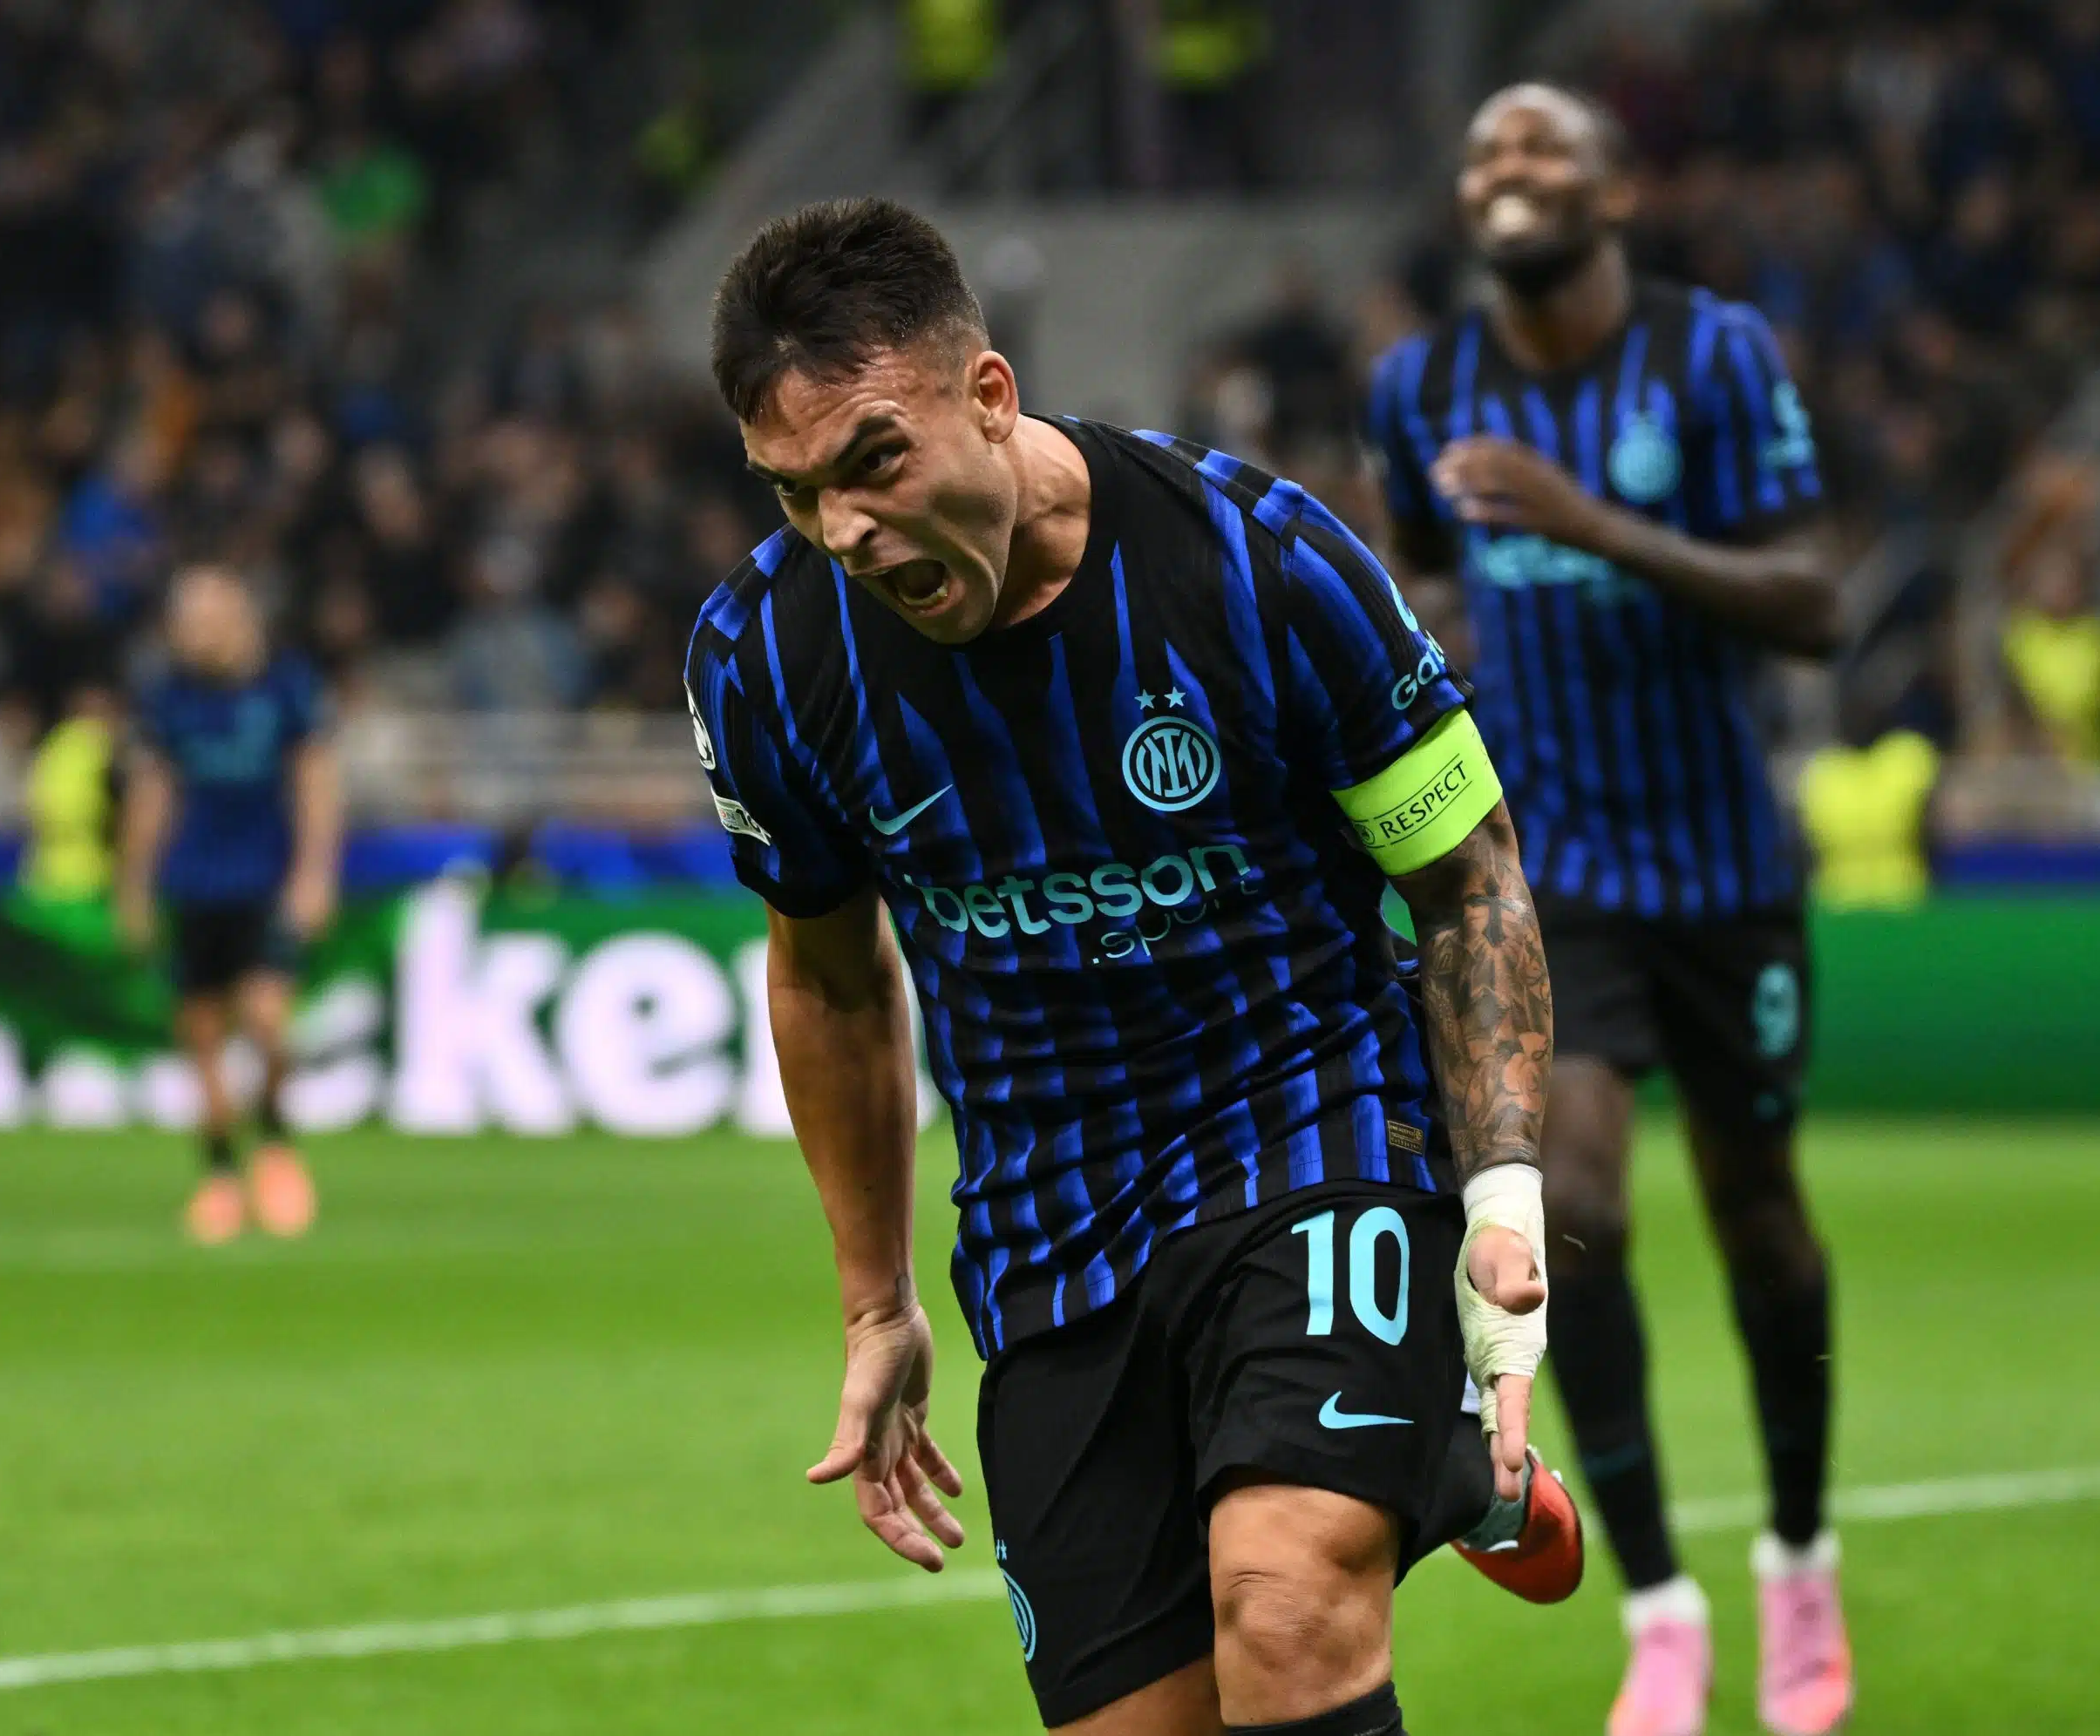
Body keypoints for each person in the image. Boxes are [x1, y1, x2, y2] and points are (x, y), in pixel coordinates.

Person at [689, 197, 1580, 1736]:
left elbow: (1467, 881)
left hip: (1311, 1127)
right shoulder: (766, 657)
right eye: (795, 492)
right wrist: (876, 1304)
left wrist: (1500, 1195)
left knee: (1285, 1606)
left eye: (873, 463)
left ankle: (1390, 1442)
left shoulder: (1260, 563)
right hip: (1050, 1225)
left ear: (989, 395)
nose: (844, 530)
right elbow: (828, 976)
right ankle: (1432, 1462)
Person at [1367, 87, 1850, 1736]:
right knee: (1570, 1203)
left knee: (1759, 1217)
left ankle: (1799, 1556)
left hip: (1724, 872)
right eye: (1485, 152)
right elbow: (1418, 583)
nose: (1508, 170)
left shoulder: (1714, 357)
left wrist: (1589, 527)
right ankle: (1658, 1607)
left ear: (1615, 189)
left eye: (1543, 148)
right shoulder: (1418, 386)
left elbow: (1814, 600)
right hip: (1549, 872)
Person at [118, 566, 340, 1244]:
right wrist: (135, 885)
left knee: (268, 1019)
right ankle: (219, 1175)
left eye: (202, 619)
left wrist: (315, 873)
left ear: (237, 616)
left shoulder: (287, 686)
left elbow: (315, 780)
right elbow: (153, 793)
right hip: (194, 883)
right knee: (203, 1037)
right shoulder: (169, 696)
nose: (190, 634)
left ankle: (274, 1143)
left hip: (265, 881)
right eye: (183, 621)